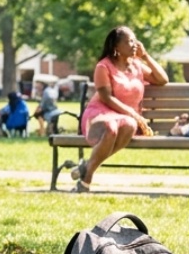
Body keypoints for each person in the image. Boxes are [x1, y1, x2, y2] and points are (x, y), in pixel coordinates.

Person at [69, 26, 169, 192]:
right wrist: (134, 114)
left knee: (129, 125)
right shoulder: (104, 66)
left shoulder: (137, 66)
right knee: (111, 128)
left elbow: (162, 79)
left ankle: (87, 167)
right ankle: (86, 180)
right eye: (129, 41)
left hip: (126, 118)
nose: (134, 44)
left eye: (135, 40)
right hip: (100, 112)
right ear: (116, 47)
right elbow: (106, 98)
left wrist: (145, 56)